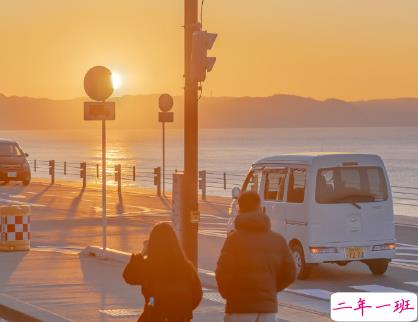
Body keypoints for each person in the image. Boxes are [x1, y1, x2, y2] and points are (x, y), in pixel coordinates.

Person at [216, 191, 296, 322]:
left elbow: (222, 273)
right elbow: (290, 274)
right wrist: (270, 289)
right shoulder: (278, 240)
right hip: (267, 312)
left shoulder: (233, 240)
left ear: (240, 209)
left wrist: (229, 295)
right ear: (260, 208)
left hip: (239, 308)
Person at [123, 222, 202, 322]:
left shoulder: (150, 266)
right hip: (179, 318)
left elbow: (129, 276)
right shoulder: (186, 266)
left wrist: (142, 252)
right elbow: (197, 295)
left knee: (151, 301)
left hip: (154, 316)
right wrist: (181, 310)